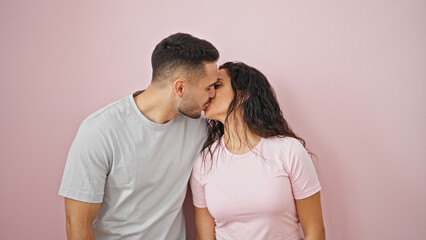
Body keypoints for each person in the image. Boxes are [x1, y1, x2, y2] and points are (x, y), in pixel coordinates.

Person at [58, 33, 219, 240]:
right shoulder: (99, 130)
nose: (213, 94)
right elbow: (77, 224)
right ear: (180, 88)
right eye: (208, 87)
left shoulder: (199, 128)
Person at [190, 62, 325, 240]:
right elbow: (204, 237)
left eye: (217, 85)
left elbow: (315, 232)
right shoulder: (204, 162)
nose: (209, 93)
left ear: (244, 94)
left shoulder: (289, 150)